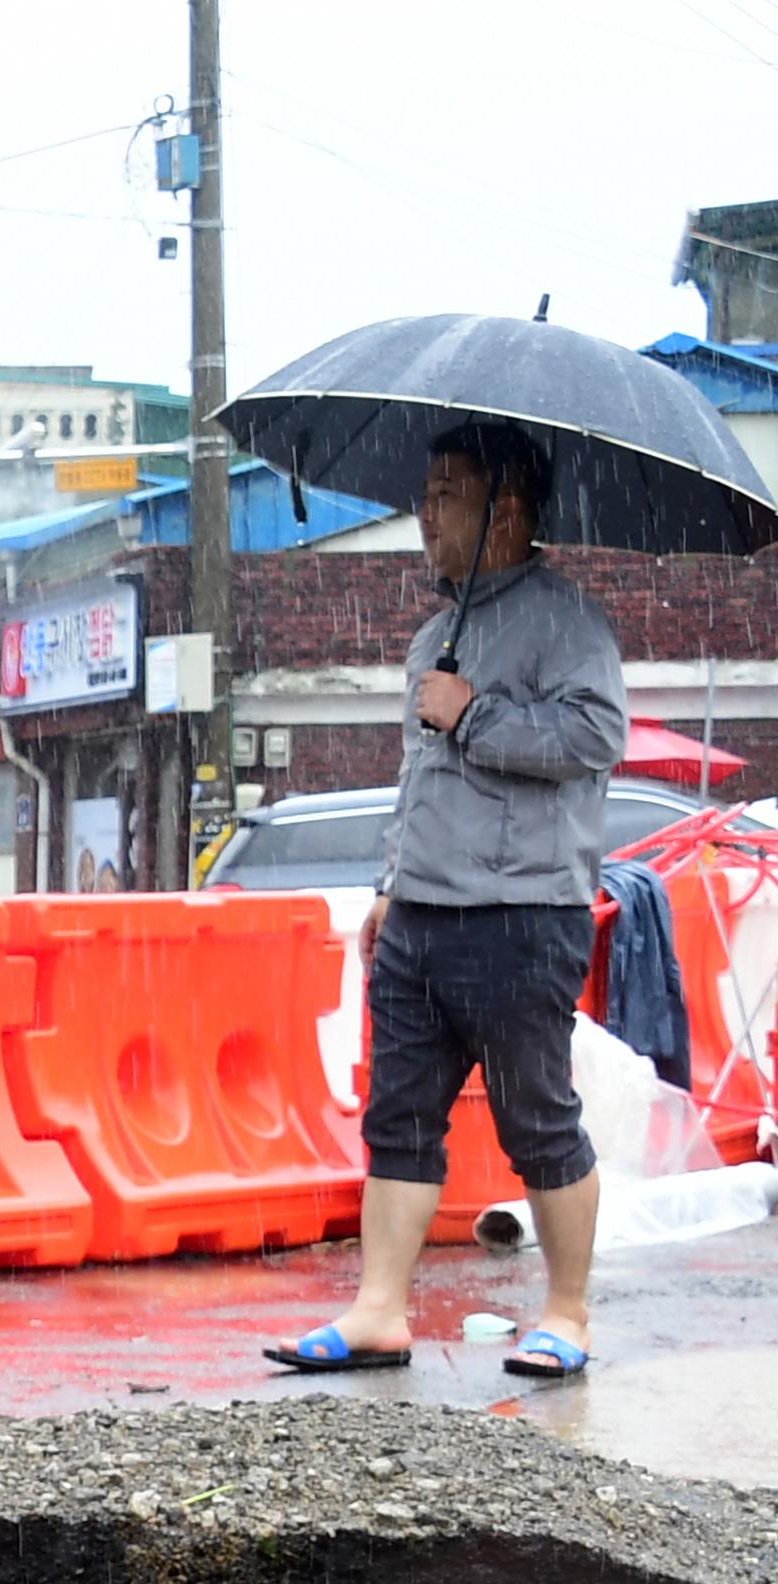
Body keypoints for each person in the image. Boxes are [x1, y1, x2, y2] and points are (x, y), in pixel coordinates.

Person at [271, 421, 623, 1384]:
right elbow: (416, 777)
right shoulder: (440, 629)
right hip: (423, 917)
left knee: (534, 1117)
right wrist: (392, 885)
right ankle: (379, 1310)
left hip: (521, 915)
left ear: (506, 508)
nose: (423, 513)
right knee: (401, 1115)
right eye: (423, 493)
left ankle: (566, 1312)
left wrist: (476, 714)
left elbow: (595, 739)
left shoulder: (568, 622)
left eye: (445, 492)